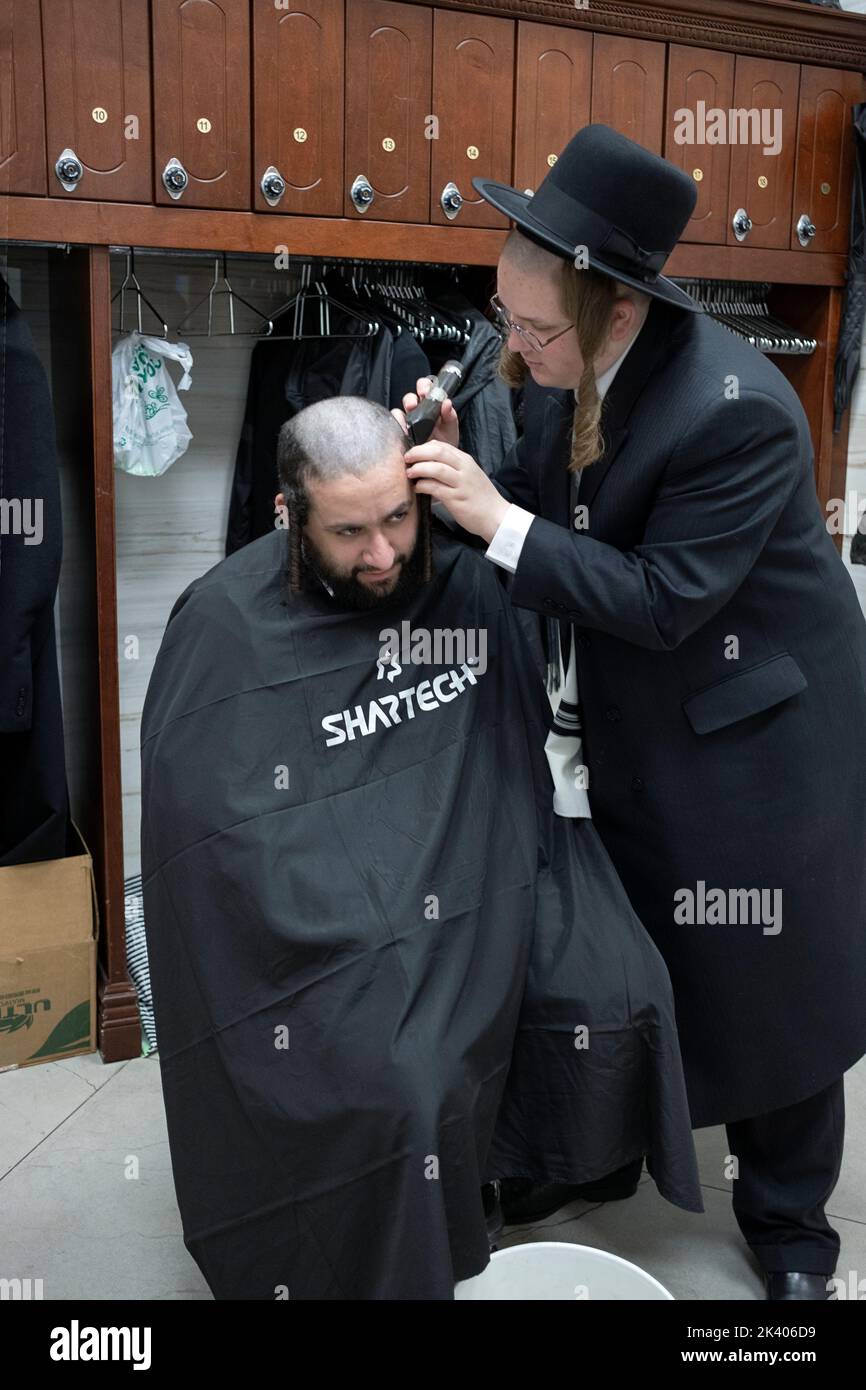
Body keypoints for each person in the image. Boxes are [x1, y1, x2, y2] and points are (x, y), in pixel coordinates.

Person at [397, 123, 866, 1301]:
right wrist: (473, 463)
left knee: (766, 980)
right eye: (503, 317)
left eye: (535, 327)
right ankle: (601, 1148)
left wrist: (488, 521)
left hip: (759, 736)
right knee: (628, 946)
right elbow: (563, 513)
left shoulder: (738, 412)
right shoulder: (567, 365)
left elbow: (661, 599)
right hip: (642, 719)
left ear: (617, 309)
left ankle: (792, 1226)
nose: (515, 344)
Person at [140, 393, 703, 1300]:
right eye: (350, 532)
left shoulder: (460, 577)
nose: (383, 554)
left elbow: (504, 755)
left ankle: (513, 1173)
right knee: (399, 1075)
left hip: (480, 874)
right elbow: (218, 843)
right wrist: (352, 921)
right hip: (319, 926)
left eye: (399, 518)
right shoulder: (224, 626)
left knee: (619, 982)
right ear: (289, 515)